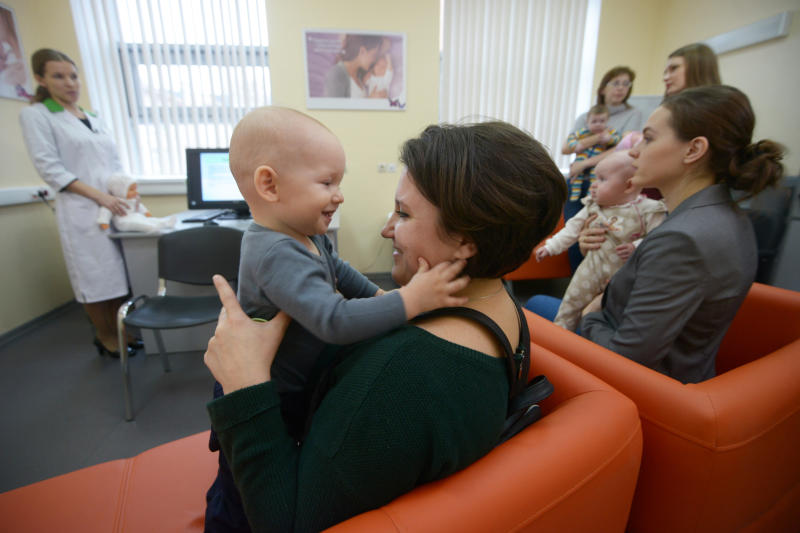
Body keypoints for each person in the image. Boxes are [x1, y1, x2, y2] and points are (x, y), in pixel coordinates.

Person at [203, 120, 567, 532]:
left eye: (404, 213)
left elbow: (286, 523)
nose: (385, 228)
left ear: (466, 241)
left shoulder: (405, 375)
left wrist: (244, 386)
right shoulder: (499, 304)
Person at [576, 85, 784, 383]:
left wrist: (591, 314)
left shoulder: (683, 238)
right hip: (686, 370)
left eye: (648, 139)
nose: (634, 150)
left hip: (651, 392)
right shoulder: (726, 216)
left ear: (694, 150)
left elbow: (626, 358)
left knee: (530, 312)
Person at [19, 48, 136, 358]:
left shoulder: (93, 118)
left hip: (113, 204)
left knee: (118, 276)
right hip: (81, 210)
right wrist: (100, 197)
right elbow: (50, 168)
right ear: (40, 79)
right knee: (95, 278)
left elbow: (113, 163)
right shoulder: (37, 115)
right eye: (58, 76)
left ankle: (121, 332)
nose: (70, 82)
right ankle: (106, 336)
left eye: (73, 75)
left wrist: (125, 191)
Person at [535, 152, 666, 331]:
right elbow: (572, 230)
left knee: (607, 316)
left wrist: (636, 246)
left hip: (623, 277)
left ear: (628, 185)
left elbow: (658, 238)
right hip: (590, 270)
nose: (593, 185)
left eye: (602, 179)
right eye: (595, 178)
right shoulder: (592, 206)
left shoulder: (648, 210)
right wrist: (550, 247)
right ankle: (560, 335)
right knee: (570, 304)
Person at [562, 66, 642, 269]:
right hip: (578, 181)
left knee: (604, 232)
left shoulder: (633, 115)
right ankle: (575, 278)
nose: (621, 88)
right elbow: (567, 147)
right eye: (615, 83)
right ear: (603, 87)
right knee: (574, 228)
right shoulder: (586, 115)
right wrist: (597, 138)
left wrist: (585, 161)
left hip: (610, 182)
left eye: (626, 84)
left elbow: (622, 148)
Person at [562, 104, 621, 206]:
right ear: (587, 122)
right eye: (594, 122)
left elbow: (619, 141)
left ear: (607, 121)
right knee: (576, 178)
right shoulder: (583, 132)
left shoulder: (609, 132)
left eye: (602, 121)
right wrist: (576, 145)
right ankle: (575, 195)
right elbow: (570, 140)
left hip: (597, 164)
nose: (598, 124)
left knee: (595, 177)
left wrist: (609, 139)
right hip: (579, 163)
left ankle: (590, 197)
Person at [96, 174, 176, 233]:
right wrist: (104, 221)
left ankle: (165, 222)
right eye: (131, 190)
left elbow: (140, 207)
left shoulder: (132, 200)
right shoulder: (115, 201)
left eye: (135, 189)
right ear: (120, 190)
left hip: (135, 216)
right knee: (139, 223)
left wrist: (146, 213)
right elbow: (106, 210)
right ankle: (152, 228)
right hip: (123, 221)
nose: (135, 192)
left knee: (148, 220)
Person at [323, 34, 385, 98]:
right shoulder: (336, 73)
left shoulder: (359, 75)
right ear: (362, 51)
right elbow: (334, 107)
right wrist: (370, 101)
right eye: (373, 55)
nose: (374, 60)